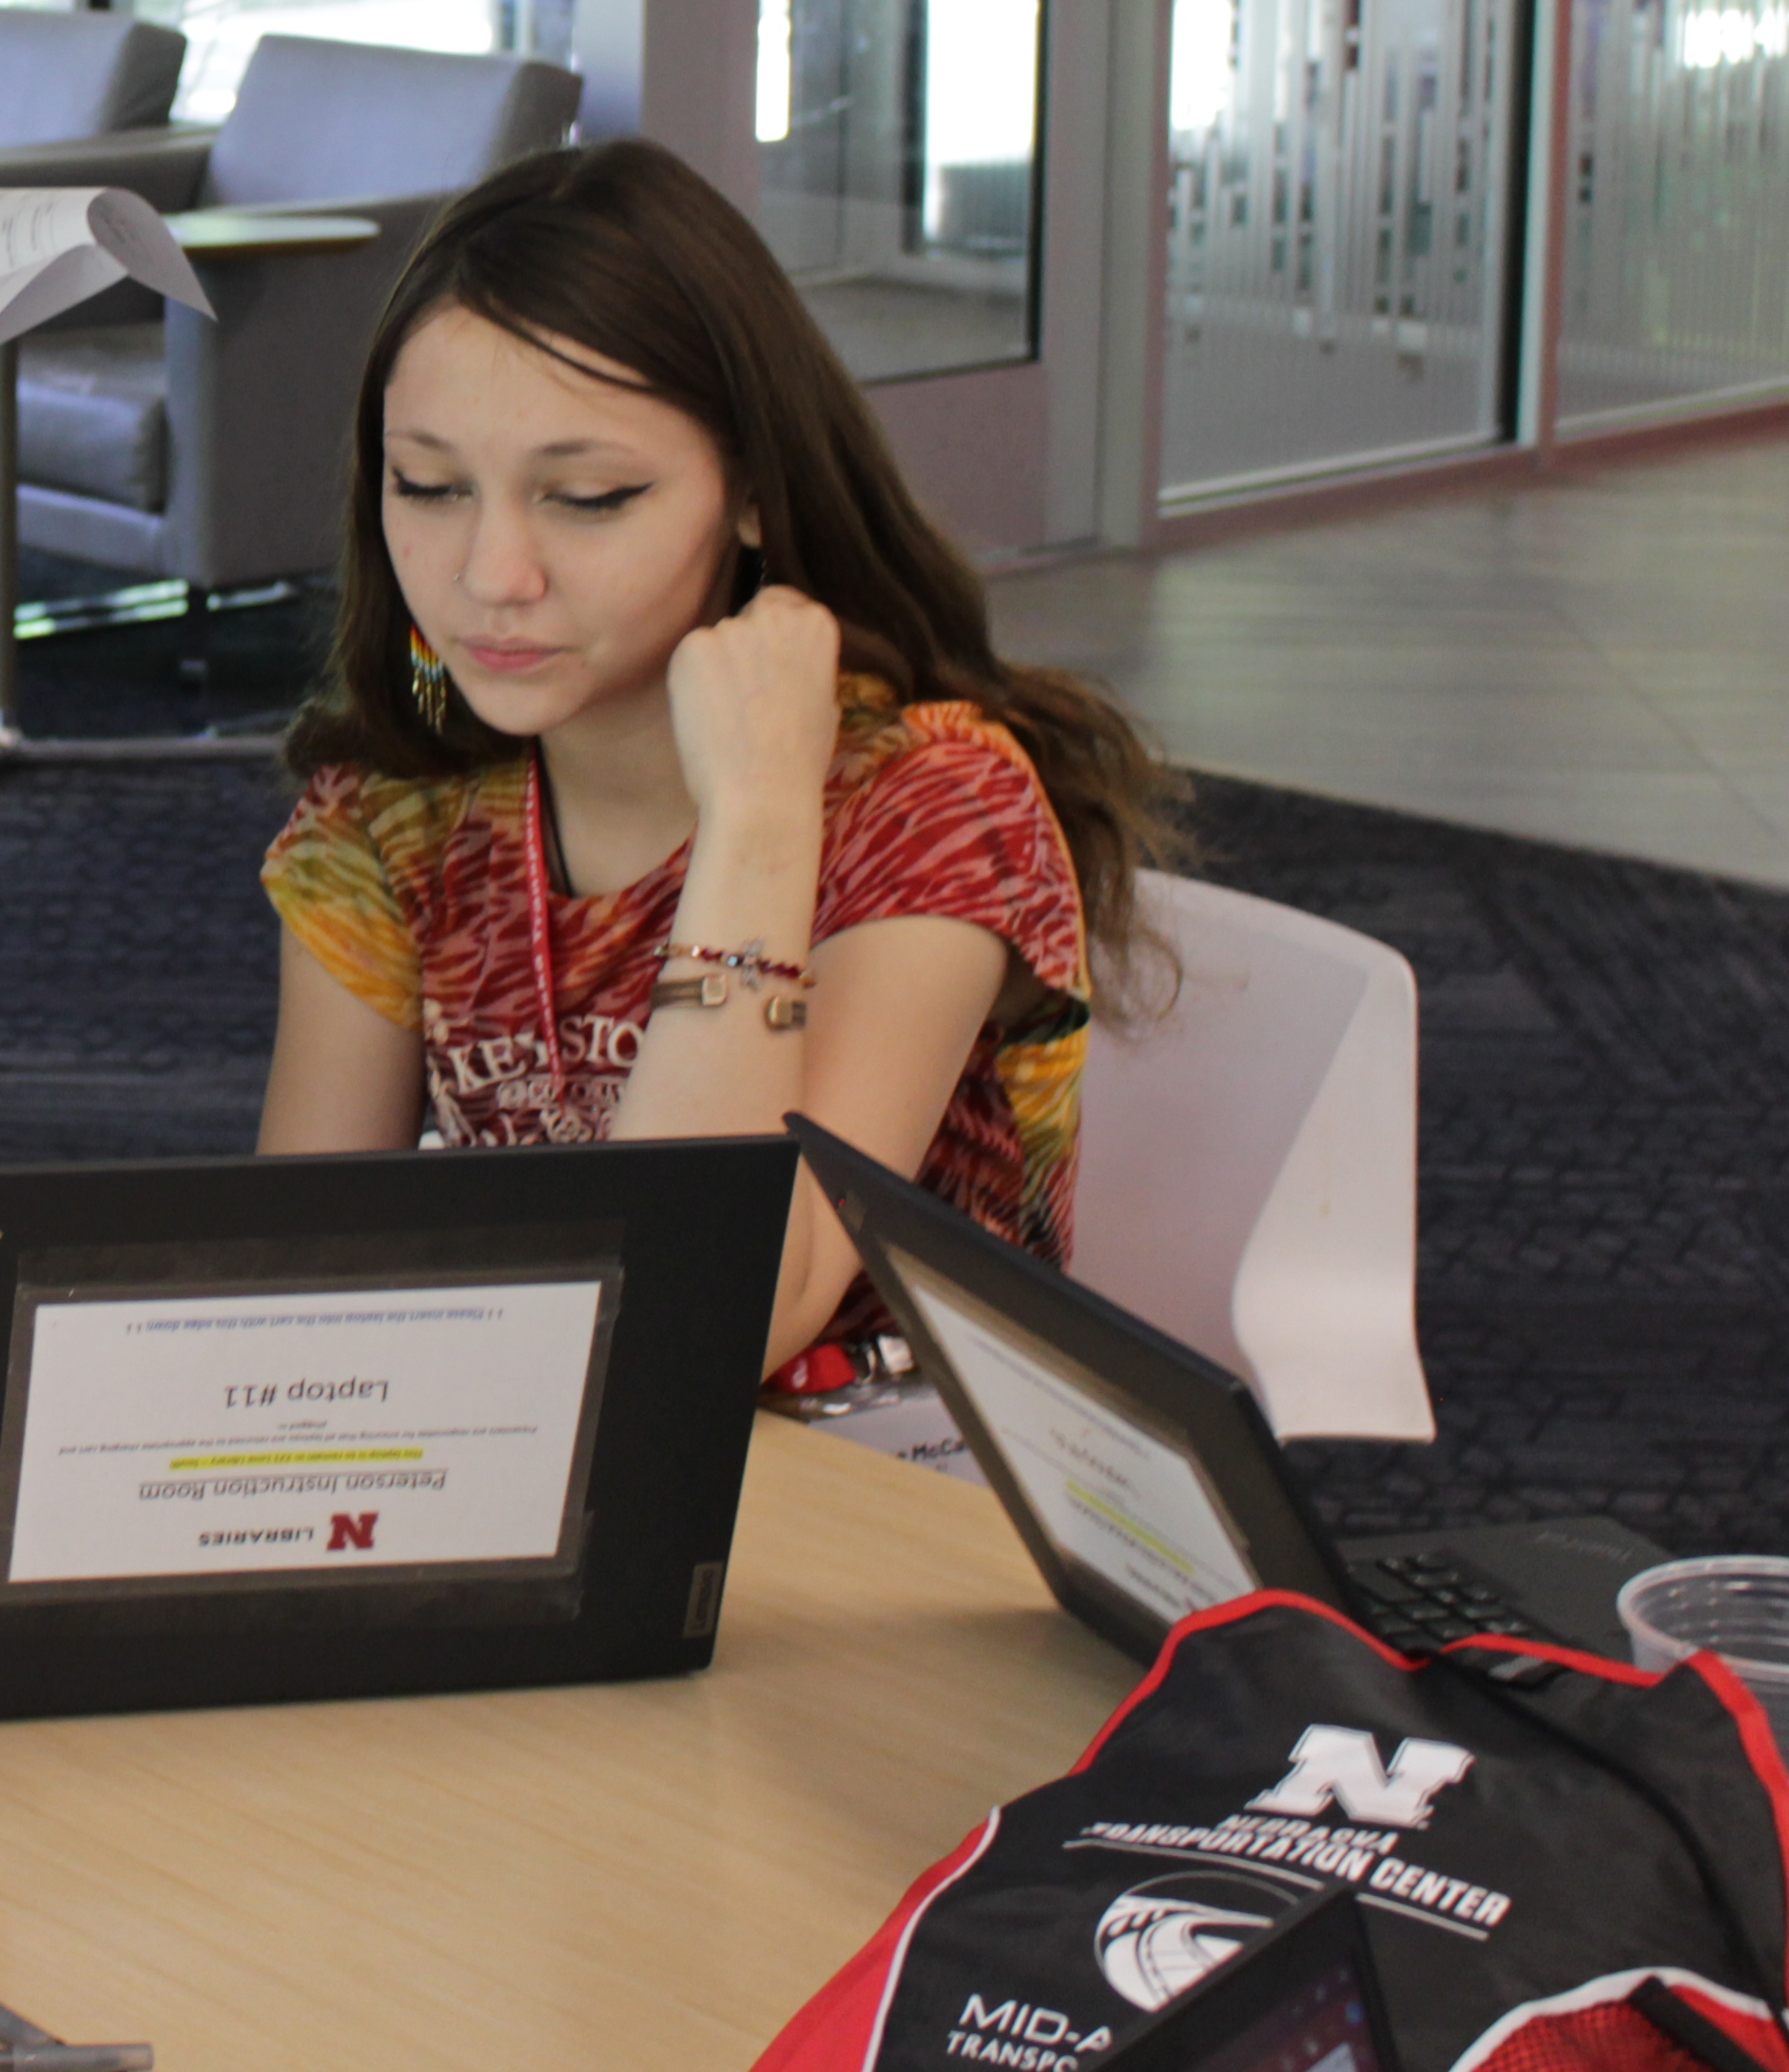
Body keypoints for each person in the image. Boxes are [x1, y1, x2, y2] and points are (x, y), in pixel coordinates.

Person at [251, 138, 1181, 1385]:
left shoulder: (928, 802)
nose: (489, 577)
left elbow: (720, 1318)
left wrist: (754, 818)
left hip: (890, 1497)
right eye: (428, 487)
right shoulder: (395, 814)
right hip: (540, 1447)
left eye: (588, 498)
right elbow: (294, 1279)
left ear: (750, 490)